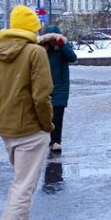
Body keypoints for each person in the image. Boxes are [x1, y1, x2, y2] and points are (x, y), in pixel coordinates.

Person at [0, 5, 54, 220]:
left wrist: (0, 116)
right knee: (24, 187)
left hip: (7, 129)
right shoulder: (35, 52)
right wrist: (46, 125)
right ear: (32, 28)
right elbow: (42, 95)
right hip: (32, 129)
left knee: (19, 181)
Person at [39, 25, 78, 153]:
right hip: (44, 87)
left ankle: (56, 141)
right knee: (45, 115)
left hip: (60, 87)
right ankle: (47, 140)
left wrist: (62, 45)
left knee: (57, 116)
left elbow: (72, 57)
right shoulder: (41, 50)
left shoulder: (63, 47)